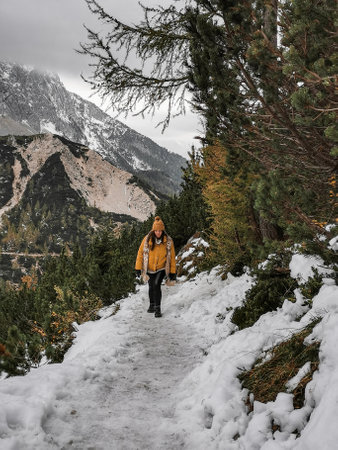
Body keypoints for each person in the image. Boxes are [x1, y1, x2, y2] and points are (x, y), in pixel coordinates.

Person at [135, 216, 176, 317]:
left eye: (160, 231)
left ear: (163, 231)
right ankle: (152, 304)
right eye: (156, 231)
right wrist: (138, 267)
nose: (158, 233)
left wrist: (173, 272)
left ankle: (158, 308)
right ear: (153, 230)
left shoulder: (168, 241)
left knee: (157, 284)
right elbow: (140, 253)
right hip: (149, 268)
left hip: (161, 268)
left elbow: (172, 257)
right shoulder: (147, 239)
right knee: (151, 285)